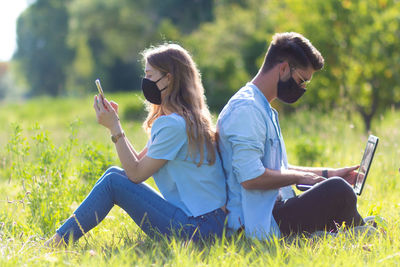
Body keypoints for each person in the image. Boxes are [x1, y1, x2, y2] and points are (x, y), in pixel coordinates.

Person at [45, 44, 227, 247]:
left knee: (114, 182)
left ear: (169, 78)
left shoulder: (173, 125)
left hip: (199, 230)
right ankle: (58, 239)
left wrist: (114, 127)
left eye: (150, 76)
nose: (145, 82)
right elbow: (137, 164)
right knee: (114, 174)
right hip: (211, 224)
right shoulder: (182, 120)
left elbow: (136, 175)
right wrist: (116, 124)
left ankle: (55, 244)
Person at [217, 32, 366, 239]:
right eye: (302, 80)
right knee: (338, 191)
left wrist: (327, 174)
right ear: (284, 68)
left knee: (335, 187)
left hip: (275, 210)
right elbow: (250, 178)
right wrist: (301, 177)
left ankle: (356, 231)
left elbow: (277, 169)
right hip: (260, 220)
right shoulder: (246, 110)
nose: (303, 88)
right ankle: (359, 233)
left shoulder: (262, 107)